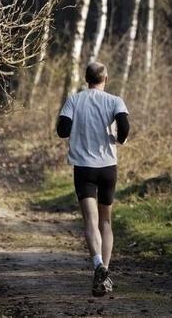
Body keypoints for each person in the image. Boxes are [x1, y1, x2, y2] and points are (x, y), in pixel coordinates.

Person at [56, 62, 130, 297]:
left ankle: (98, 265)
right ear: (105, 78)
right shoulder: (115, 100)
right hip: (108, 167)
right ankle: (105, 272)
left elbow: (62, 131)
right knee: (105, 221)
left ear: (86, 78)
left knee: (90, 220)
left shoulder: (74, 100)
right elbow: (125, 129)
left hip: (84, 169)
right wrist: (116, 137)